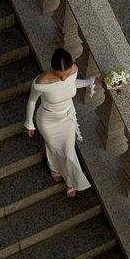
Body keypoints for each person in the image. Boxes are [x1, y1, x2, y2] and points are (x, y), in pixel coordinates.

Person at [24, 48, 104, 197]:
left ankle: (70, 180)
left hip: (66, 118)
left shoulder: (73, 71)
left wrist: (92, 81)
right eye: (60, 75)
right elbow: (32, 101)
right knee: (54, 149)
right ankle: (56, 170)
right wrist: (29, 123)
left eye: (66, 75)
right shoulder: (40, 82)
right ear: (53, 69)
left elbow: (72, 84)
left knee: (67, 152)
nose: (63, 78)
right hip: (47, 121)